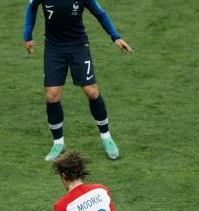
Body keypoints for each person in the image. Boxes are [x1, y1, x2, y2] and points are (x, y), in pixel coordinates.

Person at [23, 0, 134, 162]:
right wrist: (27, 35)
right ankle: (58, 143)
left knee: (92, 92)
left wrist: (115, 37)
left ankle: (106, 137)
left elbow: (99, 13)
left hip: (78, 47)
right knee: (52, 95)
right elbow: (31, 7)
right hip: (54, 49)